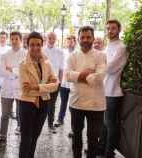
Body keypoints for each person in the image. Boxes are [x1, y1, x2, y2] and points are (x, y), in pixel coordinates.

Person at [66, 26, 106, 158]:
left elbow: (99, 77)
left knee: (93, 138)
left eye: (88, 37)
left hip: (97, 105)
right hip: (76, 102)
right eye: (82, 37)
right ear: (78, 39)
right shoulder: (72, 56)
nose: (85, 40)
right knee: (76, 135)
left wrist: (78, 76)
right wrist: (88, 74)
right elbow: (67, 76)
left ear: (93, 38)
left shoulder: (101, 56)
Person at [18, 31, 58, 158]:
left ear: (42, 45)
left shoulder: (46, 62)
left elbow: (55, 84)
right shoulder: (23, 65)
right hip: (27, 104)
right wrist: (47, 86)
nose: (35, 48)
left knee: (35, 137)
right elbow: (25, 89)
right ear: (27, 46)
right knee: (26, 138)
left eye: (38, 45)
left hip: (44, 103)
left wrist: (36, 87)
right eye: (32, 45)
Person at [0, 31, 26, 151]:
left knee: (22, 115)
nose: (14, 41)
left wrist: (11, 69)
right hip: (7, 89)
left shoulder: (26, 54)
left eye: (16, 39)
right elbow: (1, 72)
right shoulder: (5, 55)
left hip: (21, 89)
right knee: (4, 115)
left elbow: (25, 72)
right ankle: (2, 138)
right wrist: (15, 72)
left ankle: (24, 139)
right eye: (12, 39)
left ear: (20, 40)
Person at [102, 19, 127, 158]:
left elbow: (110, 68)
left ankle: (109, 152)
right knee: (104, 123)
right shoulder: (108, 46)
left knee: (111, 124)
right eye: (108, 29)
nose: (110, 31)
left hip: (113, 91)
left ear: (119, 30)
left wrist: (100, 65)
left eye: (113, 28)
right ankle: (101, 148)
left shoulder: (121, 47)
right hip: (104, 89)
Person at [43, 32, 64, 133]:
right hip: (43, 82)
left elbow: (61, 69)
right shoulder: (42, 50)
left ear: (56, 40)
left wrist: (59, 82)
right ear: (46, 39)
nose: (51, 40)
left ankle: (50, 123)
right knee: (42, 103)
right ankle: (40, 122)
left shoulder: (60, 52)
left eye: (53, 38)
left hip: (55, 82)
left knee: (52, 104)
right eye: (49, 38)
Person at [55, 35, 77, 126]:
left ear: (75, 42)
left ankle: (73, 125)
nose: (70, 43)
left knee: (73, 106)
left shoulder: (77, 53)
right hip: (64, 83)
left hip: (73, 83)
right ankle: (60, 119)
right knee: (63, 103)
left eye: (71, 41)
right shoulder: (63, 53)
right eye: (68, 41)